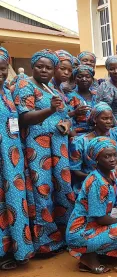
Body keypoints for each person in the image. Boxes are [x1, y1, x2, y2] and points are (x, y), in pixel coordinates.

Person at [14, 49, 75, 254]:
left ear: (54, 70)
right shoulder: (25, 85)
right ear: (32, 66)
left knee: (62, 188)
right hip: (38, 148)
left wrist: (66, 123)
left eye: (48, 67)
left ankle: (65, 234)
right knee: (43, 189)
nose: (44, 70)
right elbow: (24, 118)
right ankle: (46, 242)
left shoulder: (51, 89)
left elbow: (64, 114)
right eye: (40, 66)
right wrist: (49, 110)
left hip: (58, 146)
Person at [66, 137, 117, 274]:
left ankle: (99, 253)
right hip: (82, 232)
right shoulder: (97, 182)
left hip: (95, 225)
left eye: (114, 155)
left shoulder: (110, 174)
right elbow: (100, 219)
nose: (112, 159)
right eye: (107, 156)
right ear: (97, 158)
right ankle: (88, 256)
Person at [0, 47, 34, 269]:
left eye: (2, 68)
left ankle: (12, 250)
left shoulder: (7, 92)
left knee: (11, 202)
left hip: (11, 160)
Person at [70, 102, 117, 193]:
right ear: (95, 119)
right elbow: (76, 170)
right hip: (89, 180)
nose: (109, 122)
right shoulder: (80, 142)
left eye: (111, 118)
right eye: (104, 118)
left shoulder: (115, 134)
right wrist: (97, 177)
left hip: (113, 179)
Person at [96, 56, 117, 130]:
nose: (116, 71)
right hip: (114, 128)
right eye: (111, 69)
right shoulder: (105, 87)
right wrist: (116, 128)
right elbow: (103, 110)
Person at [68, 65, 97, 136]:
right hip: (77, 135)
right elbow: (64, 117)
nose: (84, 79)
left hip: (96, 133)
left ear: (92, 80)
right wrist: (75, 113)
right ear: (75, 80)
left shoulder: (96, 95)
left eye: (87, 77)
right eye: (80, 77)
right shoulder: (70, 96)